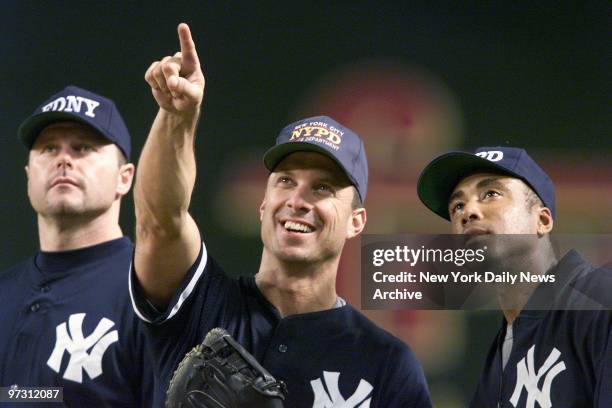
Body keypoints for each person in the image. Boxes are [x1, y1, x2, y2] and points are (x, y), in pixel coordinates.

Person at [130, 23, 432, 407]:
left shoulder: (387, 364)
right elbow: (160, 222)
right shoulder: (202, 303)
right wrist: (177, 118)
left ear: (356, 222)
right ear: (263, 205)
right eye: (286, 181)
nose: (298, 199)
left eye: (322, 187)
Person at [417, 146, 612, 407]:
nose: (468, 212)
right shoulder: (500, 357)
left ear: (542, 220)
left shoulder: (599, 300)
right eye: (457, 206)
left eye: (491, 194)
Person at [0, 85, 156, 406]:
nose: (64, 160)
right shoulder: (5, 292)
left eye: (83, 148)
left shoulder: (150, 293)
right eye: (48, 149)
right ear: (29, 176)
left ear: (124, 178)